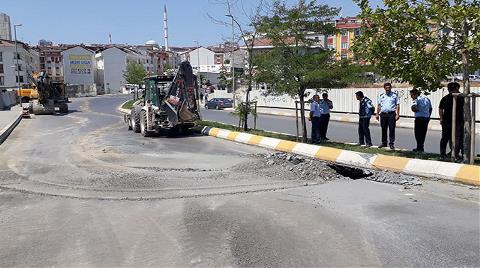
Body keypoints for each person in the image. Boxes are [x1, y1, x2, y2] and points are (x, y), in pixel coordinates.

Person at [439, 82, 464, 159]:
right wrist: (441, 119)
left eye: (452, 89)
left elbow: (440, 109)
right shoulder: (446, 98)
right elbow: (440, 108)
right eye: (450, 89)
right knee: (447, 137)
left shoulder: (462, 97)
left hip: (458, 121)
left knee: (455, 137)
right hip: (448, 121)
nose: (451, 91)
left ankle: (454, 153)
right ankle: (445, 153)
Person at [376, 83, 400, 149]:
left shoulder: (394, 95)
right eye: (386, 87)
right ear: (384, 88)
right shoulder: (382, 95)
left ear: (391, 87)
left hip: (391, 114)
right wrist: (377, 113)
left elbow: (397, 105)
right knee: (383, 128)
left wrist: (397, 114)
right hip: (383, 114)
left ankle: (391, 143)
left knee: (392, 129)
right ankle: (384, 143)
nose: (388, 88)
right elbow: (379, 105)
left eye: (389, 87)